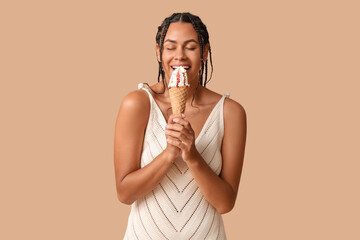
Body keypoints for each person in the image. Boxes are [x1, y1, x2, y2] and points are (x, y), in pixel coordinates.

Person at [114, 12, 247, 240]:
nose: (180, 57)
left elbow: (225, 203)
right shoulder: (137, 104)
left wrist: (192, 155)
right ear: (159, 52)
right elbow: (124, 193)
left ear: (204, 53)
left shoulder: (231, 112)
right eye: (171, 47)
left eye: (191, 47)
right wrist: (169, 154)